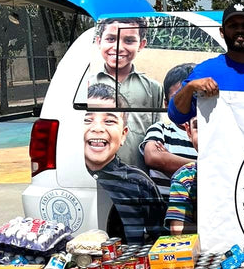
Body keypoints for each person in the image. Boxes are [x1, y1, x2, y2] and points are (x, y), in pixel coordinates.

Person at [84, 83, 166, 244]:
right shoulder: (64, 177)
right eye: (87, 119)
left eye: (109, 121)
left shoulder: (139, 183)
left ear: (123, 134)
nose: (97, 128)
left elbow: (159, 239)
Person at [90, 16, 164, 168]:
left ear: (141, 44)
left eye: (129, 41)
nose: (118, 47)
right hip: (95, 174)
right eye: (110, 39)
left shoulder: (153, 88)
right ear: (99, 41)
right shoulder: (88, 85)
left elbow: (156, 134)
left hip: (140, 174)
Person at [141, 63, 198, 200]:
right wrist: (203, 167)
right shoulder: (161, 129)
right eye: (179, 99)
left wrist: (170, 159)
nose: (186, 104)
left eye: (194, 97)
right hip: (164, 208)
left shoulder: (210, 133)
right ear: (167, 104)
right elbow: (153, 157)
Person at [165, 116, 199, 234]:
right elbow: (177, 232)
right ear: (188, 131)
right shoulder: (184, 177)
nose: (207, 134)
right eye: (198, 126)